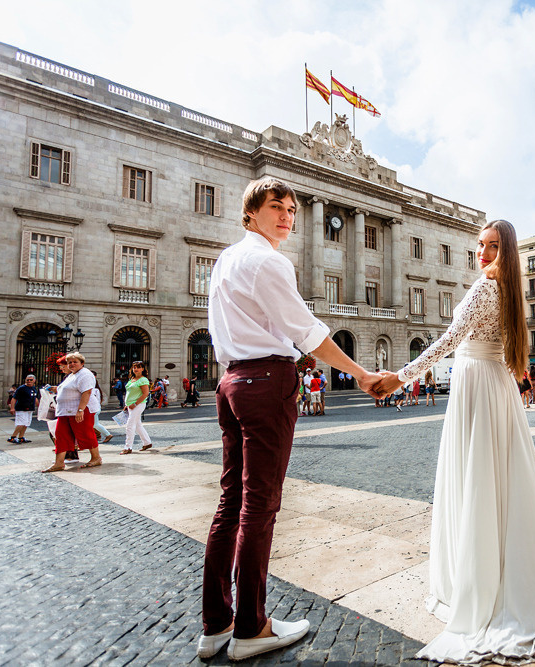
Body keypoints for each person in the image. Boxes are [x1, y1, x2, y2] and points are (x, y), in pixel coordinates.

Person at [372, 219, 535, 664]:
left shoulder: (486, 288)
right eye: (479, 246)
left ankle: (481, 582)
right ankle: (507, 577)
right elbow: (505, 349)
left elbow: (450, 340)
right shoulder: (509, 293)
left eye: (491, 247)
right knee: (500, 478)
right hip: (493, 385)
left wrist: (400, 377)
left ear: (507, 250)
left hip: (476, 384)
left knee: (477, 477)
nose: (482, 255)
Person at [198, 177, 382, 661]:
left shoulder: (226, 260)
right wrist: (361, 374)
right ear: (251, 213)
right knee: (259, 505)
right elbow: (308, 332)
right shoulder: (269, 261)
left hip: (231, 380)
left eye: (292, 210)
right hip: (265, 383)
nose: (286, 216)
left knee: (231, 501)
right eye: (275, 206)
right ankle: (252, 627)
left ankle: (217, 623)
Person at [41, 353, 103, 472]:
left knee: (85, 434)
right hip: (65, 412)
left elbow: (86, 392)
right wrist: (56, 389)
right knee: (61, 435)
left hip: (80, 410)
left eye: (75, 362)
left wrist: (80, 410)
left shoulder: (85, 374)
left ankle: (96, 458)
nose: (72, 364)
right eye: (69, 362)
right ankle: (59, 463)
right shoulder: (71, 375)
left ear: (82, 363)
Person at [120, 361, 153, 454]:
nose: (136, 369)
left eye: (138, 367)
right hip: (130, 405)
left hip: (138, 404)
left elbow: (145, 394)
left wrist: (135, 404)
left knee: (130, 425)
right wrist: (126, 405)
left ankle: (128, 447)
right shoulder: (132, 379)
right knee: (138, 425)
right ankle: (147, 442)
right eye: (134, 367)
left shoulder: (143, 380)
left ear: (142, 369)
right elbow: (130, 393)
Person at [8, 374, 39, 443]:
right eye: (27, 380)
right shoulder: (22, 388)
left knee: (26, 423)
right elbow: (14, 398)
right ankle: (13, 437)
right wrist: (12, 408)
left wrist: (39, 406)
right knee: (21, 423)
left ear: (34, 380)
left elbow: (35, 398)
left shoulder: (33, 388)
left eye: (31, 380)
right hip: (21, 408)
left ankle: (21, 437)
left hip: (30, 409)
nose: (29, 381)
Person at [90, 371, 113, 443]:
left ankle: (107, 435)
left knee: (95, 424)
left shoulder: (95, 390)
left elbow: (97, 401)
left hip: (94, 409)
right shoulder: (95, 390)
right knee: (93, 424)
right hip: (93, 409)